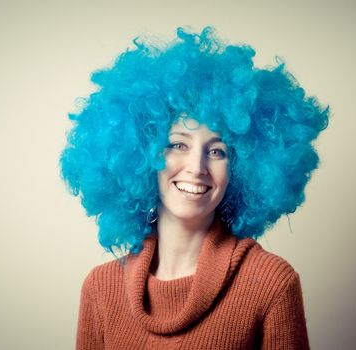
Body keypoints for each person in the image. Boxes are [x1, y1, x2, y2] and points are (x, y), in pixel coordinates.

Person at [59, 26, 329, 349]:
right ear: (144, 153)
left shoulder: (271, 286)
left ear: (241, 167)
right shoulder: (100, 289)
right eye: (178, 145)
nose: (197, 168)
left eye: (217, 151)